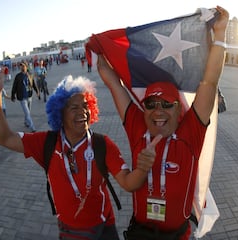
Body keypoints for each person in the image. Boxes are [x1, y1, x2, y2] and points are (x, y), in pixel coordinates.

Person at [96, 5, 229, 240]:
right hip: (139, 234)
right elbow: (114, 84)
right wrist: (98, 50)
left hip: (177, 235)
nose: (158, 111)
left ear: (180, 111)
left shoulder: (191, 131)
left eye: (167, 104)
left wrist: (220, 35)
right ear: (143, 108)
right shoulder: (138, 126)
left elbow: (209, 82)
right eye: (151, 104)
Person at [0, 70, 161, 240]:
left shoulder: (102, 144)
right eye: (74, 107)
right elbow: (4, 138)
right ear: (60, 113)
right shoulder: (47, 142)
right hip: (69, 231)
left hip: (103, 227)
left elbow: (128, 183)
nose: (82, 112)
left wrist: (143, 168)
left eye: (85, 106)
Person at [11, 62, 39, 132]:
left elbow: (33, 84)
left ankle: (26, 122)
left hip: (29, 96)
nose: (22, 67)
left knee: (28, 111)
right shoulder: (18, 76)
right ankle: (33, 128)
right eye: (21, 66)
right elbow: (14, 86)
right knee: (27, 113)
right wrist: (13, 95)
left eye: (23, 66)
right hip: (22, 97)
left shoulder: (29, 75)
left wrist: (37, 91)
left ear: (26, 67)